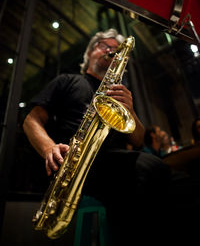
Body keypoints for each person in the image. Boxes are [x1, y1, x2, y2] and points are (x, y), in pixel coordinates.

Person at [22, 28, 197, 243]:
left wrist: (130, 110)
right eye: (104, 46)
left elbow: (138, 140)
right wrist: (49, 148)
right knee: (147, 169)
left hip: (111, 159)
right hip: (74, 161)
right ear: (89, 53)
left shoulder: (117, 93)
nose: (110, 50)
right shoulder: (67, 80)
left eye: (115, 49)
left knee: (183, 183)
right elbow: (32, 119)